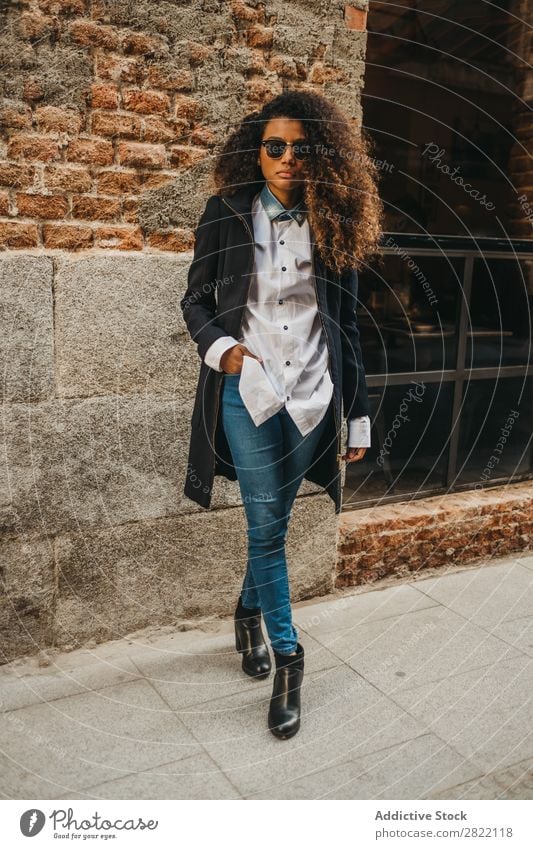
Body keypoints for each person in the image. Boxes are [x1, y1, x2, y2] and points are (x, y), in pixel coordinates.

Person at [180, 89, 384, 739]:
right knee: (267, 526)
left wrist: (358, 416)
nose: (287, 158)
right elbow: (194, 301)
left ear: (320, 155)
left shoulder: (335, 223)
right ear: (256, 151)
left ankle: (246, 613)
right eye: (274, 146)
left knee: (270, 522)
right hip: (250, 394)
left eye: (301, 147)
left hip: (314, 399)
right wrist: (223, 350)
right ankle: (290, 659)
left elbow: (347, 326)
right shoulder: (224, 213)